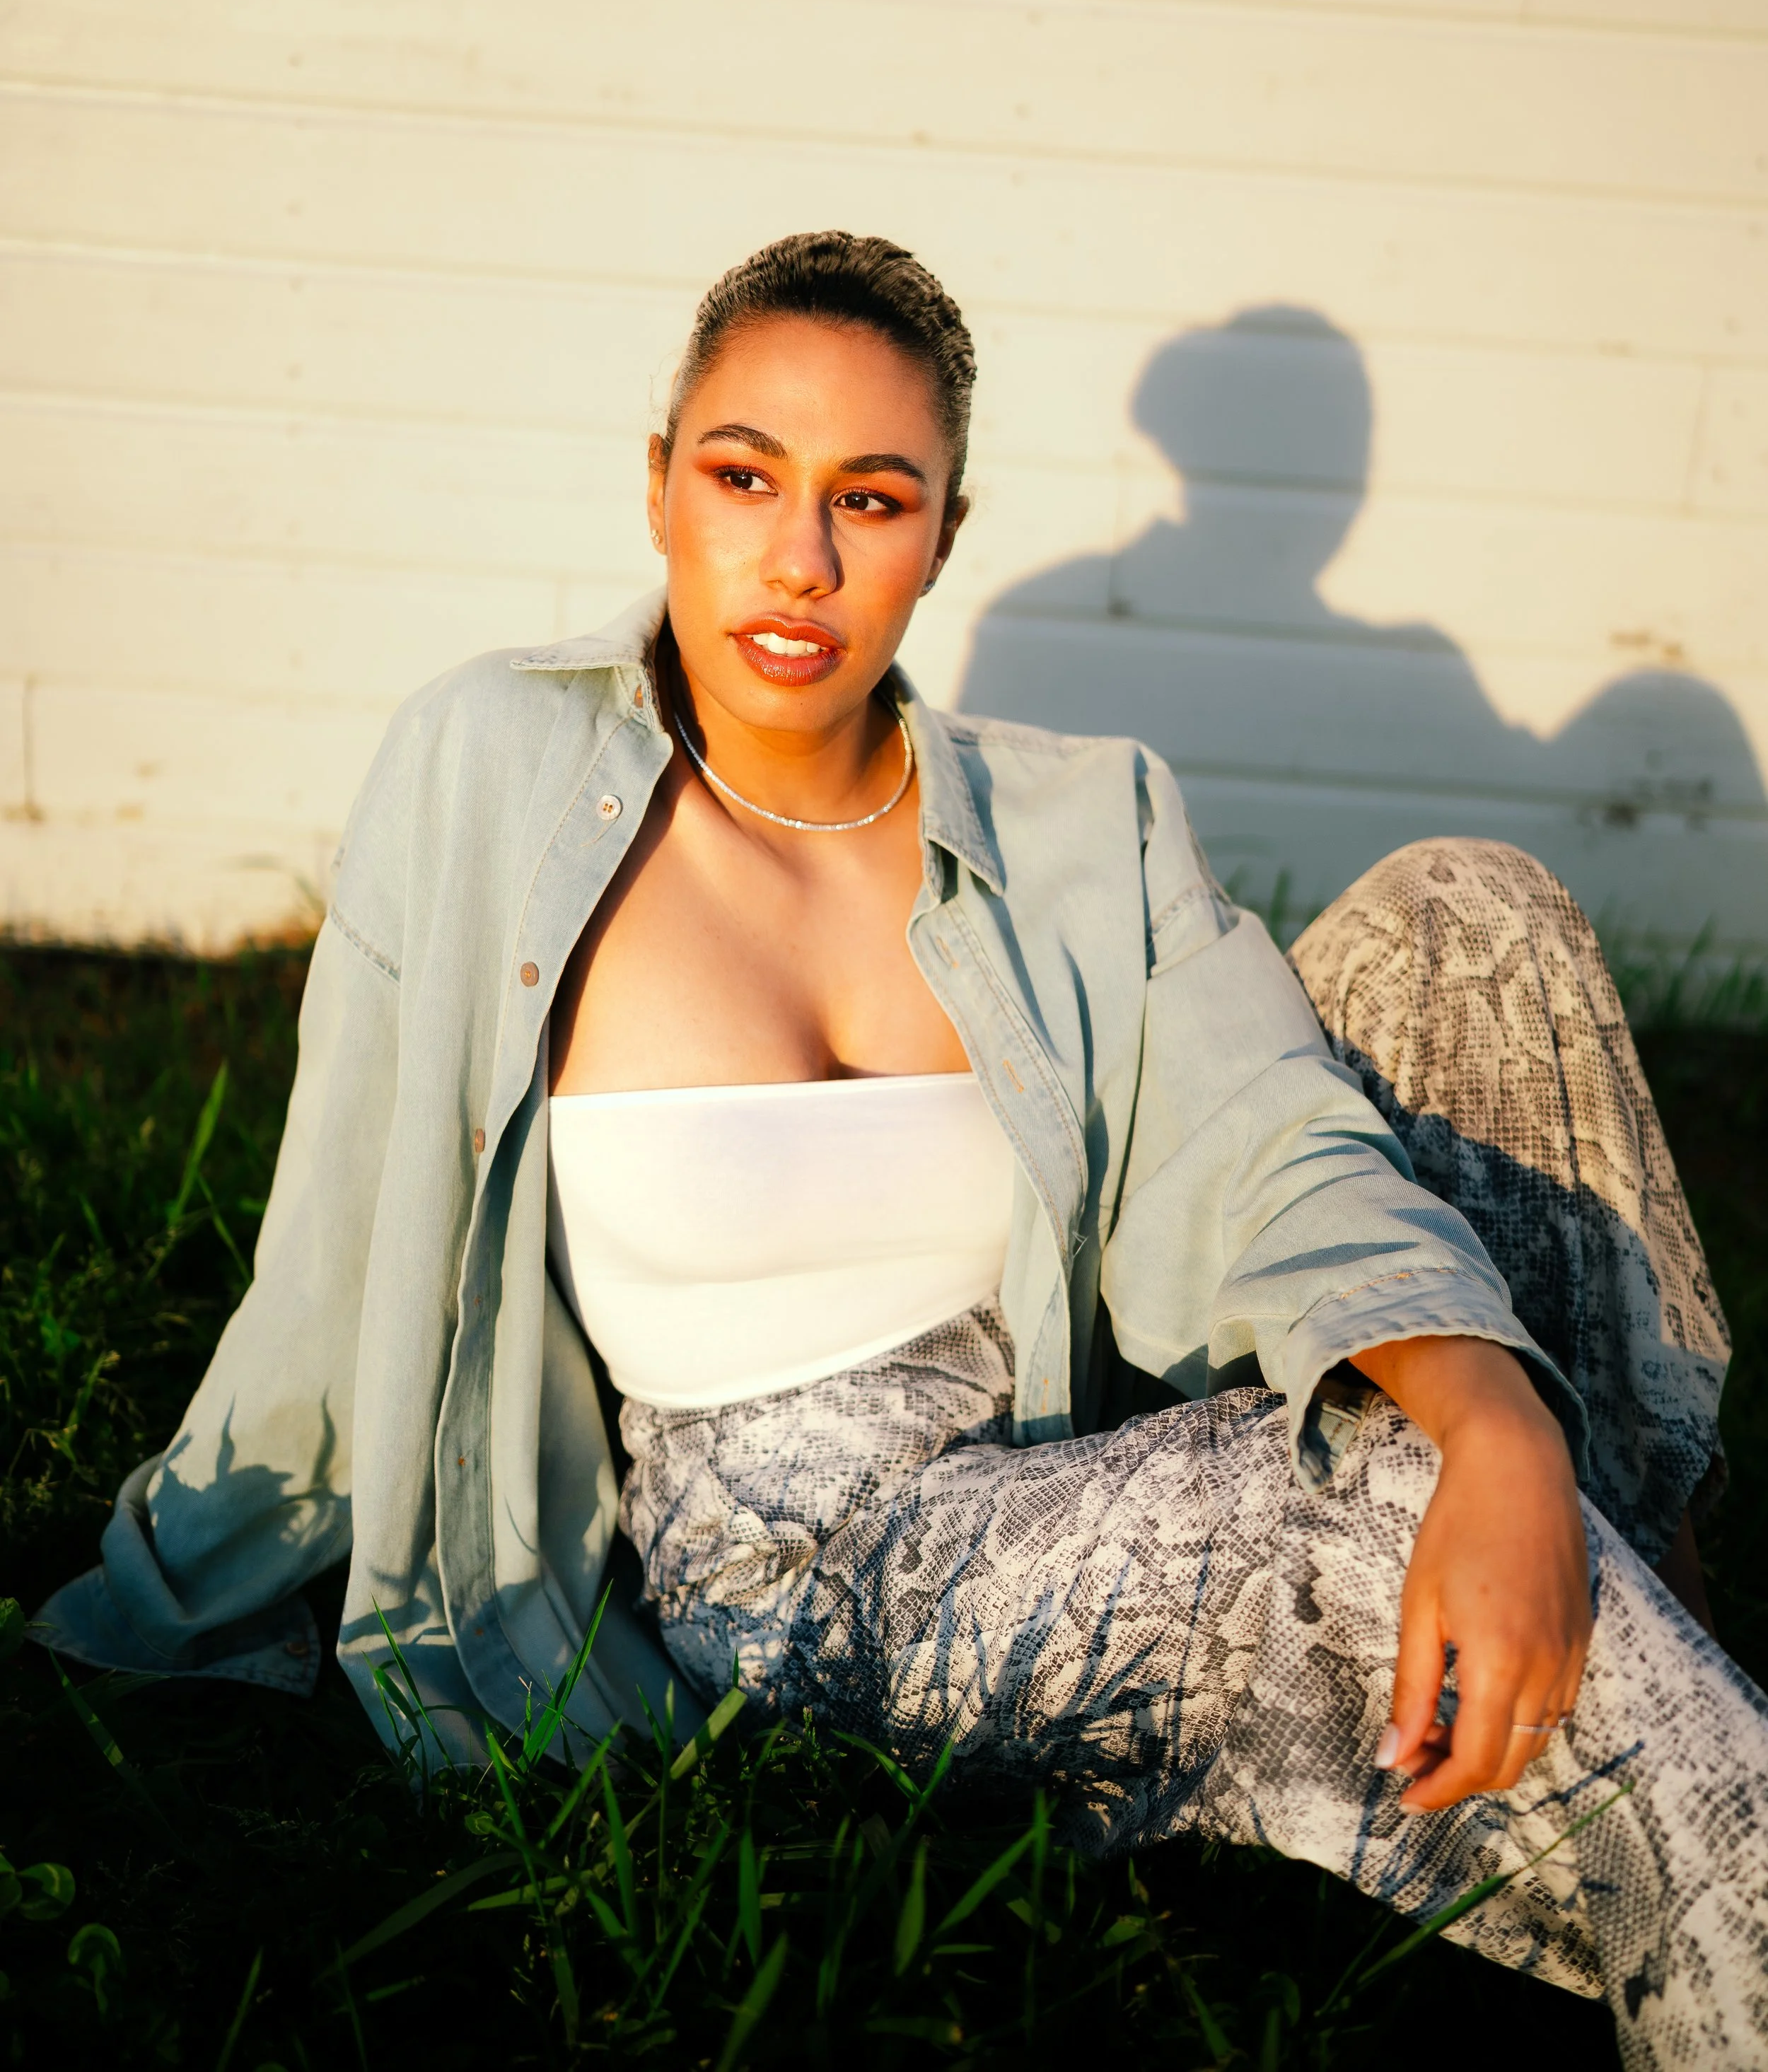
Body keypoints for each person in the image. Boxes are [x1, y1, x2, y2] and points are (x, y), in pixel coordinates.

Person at [35, 233, 1766, 2066]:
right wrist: (179, 1562)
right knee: (1374, 1487)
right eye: (743, 477)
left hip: (1046, 1442)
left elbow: (1272, 1136)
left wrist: (1493, 1408)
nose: (799, 560)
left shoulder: (1078, 813)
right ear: (658, 486)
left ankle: (1595, 1571)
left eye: (870, 497)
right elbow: (340, 1225)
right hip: (802, 1576)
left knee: (1464, 909)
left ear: (942, 529)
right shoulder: (492, 767)